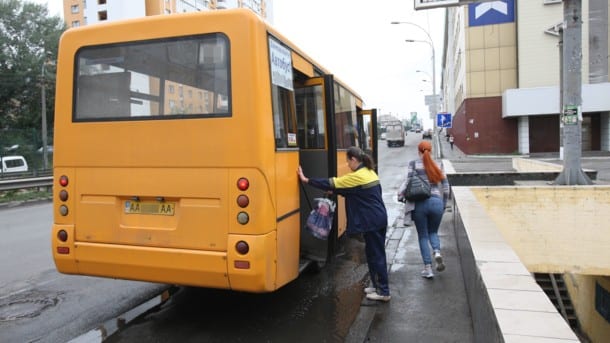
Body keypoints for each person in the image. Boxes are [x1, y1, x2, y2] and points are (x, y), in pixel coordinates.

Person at [297, 146, 390, 302]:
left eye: (348, 161)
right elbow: (355, 191)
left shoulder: (358, 175)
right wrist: (337, 192)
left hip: (372, 221)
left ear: (354, 160)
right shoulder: (369, 172)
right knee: (372, 254)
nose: (348, 165)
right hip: (377, 218)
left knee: (377, 255)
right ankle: (376, 285)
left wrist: (307, 180)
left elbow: (333, 182)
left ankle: (384, 292)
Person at [398, 140, 450, 279]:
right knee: (433, 232)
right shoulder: (438, 164)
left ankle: (428, 268)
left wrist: (401, 195)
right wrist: (443, 204)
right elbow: (446, 188)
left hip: (420, 204)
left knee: (423, 236)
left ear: (419, 151)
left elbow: (408, 182)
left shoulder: (413, 164)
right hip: (437, 203)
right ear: (430, 151)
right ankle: (437, 252)